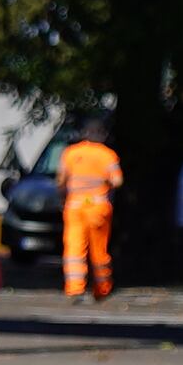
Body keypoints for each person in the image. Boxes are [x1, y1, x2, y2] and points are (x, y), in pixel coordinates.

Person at [58, 121, 124, 300]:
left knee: (74, 247)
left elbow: (61, 181)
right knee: (99, 249)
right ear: (102, 135)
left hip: (75, 206)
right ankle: (102, 288)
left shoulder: (71, 153)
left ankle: (74, 288)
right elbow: (117, 181)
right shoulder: (108, 155)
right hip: (98, 207)